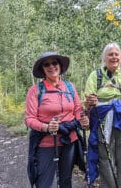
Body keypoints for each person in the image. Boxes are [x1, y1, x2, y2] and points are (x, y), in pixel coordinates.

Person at [25, 52, 89, 188]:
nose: (51, 66)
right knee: (44, 182)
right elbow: (29, 119)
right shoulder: (35, 90)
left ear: (60, 66)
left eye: (54, 63)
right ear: (42, 69)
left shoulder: (69, 87)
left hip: (69, 140)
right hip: (46, 142)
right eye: (46, 64)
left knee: (66, 180)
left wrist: (82, 119)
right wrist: (46, 127)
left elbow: (77, 109)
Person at [84, 42, 121, 188]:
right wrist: (90, 101)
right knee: (105, 156)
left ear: (120, 57)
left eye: (116, 54)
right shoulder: (95, 76)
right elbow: (87, 101)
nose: (114, 57)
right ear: (104, 58)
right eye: (110, 54)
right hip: (102, 121)